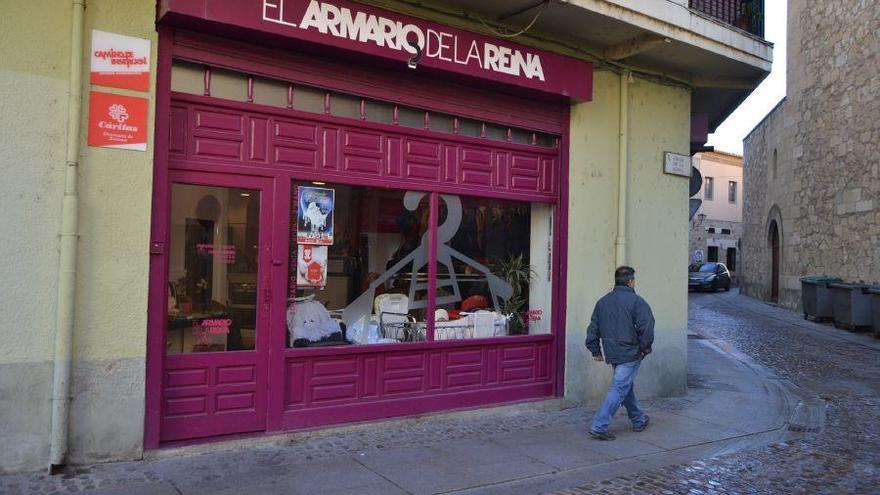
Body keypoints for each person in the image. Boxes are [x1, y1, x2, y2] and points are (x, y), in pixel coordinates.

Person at [585, 266, 655, 440]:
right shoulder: (637, 301)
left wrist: (595, 349)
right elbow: (647, 327)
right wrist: (644, 348)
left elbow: (593, 329)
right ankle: (599, 426)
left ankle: (638, 420)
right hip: (630, 353)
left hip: (613, 353)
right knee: (619, 388)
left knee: (624, 385)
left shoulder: (602, 302)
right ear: (631, 281)